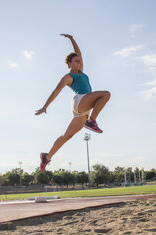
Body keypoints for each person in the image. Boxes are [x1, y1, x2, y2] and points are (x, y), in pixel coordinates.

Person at [35, 34, 111, 172]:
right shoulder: (68, 77)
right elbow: (56, 90)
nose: (79, 63)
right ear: (69, 63)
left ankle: (47, 156)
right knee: (106, 94)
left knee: (67, 136)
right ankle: (92, 121)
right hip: (81, 100)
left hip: (83, 109)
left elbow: (79, 53)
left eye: (79, 61)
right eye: (76, 61)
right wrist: (45, 106)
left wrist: (72, 39)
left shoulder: (81, 72)